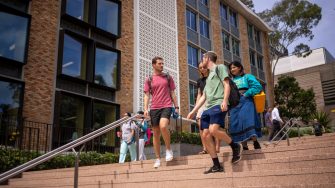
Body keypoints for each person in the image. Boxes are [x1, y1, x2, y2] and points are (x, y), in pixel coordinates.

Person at [187, 51, 242, 174]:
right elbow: (204, 97)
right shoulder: (209, 76)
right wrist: (193, 111)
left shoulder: (220, 68)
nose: (202, 60)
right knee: (205, 135)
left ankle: (234, 145)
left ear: (207, 58)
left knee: (213, 130)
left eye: (203, 58)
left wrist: (225, 100)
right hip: (208, 108)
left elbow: (226, 84)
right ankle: (216, 165)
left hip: (218, 104)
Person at [143, 56, 179, 168]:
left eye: (162, 63)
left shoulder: (168, 77)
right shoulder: (149, 79)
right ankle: (158, 158)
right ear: (153, 65)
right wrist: (145, 108)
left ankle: (168, 150)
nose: (162, 65)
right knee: (156, 134)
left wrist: (176, 106)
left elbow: (172, 93)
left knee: (163, 126)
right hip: (154, 108)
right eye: (159, 63)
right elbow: (146, 95)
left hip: (166, 105)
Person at [228, 61, 263, 150]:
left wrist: (247, 94)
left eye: (234, 67)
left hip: (246, 101)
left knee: (247, 121)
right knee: (237, 123)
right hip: (234, 104)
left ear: (239, 67)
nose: (232, 69)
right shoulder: (230, 81)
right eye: (231, 68)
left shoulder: (248, 77)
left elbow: (257, 86)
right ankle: (244, 146)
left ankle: (255, 142)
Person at [195, 61, 221, 154]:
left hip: (213, 101)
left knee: (214, 125)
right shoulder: (199, 81)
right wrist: (197, 107)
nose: (202, 69)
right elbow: (199, 94)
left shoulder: (214, 77)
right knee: (201, 126)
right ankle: (205, 148)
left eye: (204, 67)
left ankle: (217, 147)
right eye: (200, 68)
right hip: (203, 103)